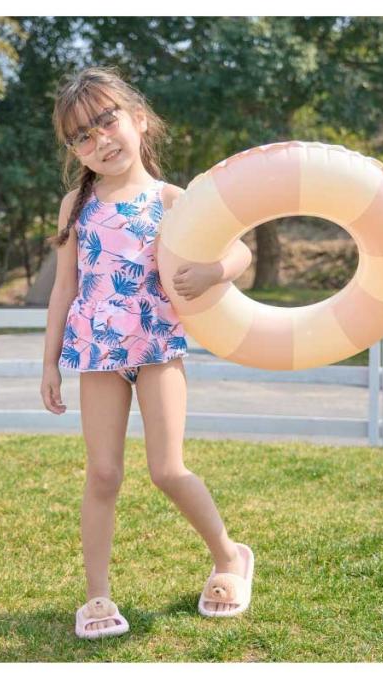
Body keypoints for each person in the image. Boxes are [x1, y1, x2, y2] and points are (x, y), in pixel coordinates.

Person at [40, 65, 254, 639]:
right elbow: (64, 287)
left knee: (167, 469)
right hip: (97, 354)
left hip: (157, 346)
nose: (99, 141)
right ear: (74, 151)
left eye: (106, 122)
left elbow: (241, 253)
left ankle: (230, 556)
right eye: (81, 136)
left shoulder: (172, 199)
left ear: (138, 119)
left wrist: (212, 271)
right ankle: (97, 597)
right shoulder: (75, 205)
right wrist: (50, 362)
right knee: (103, 473)